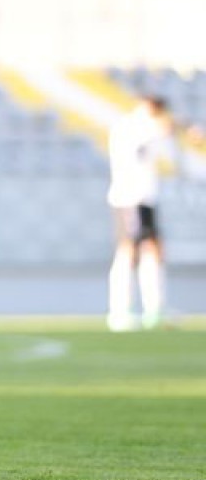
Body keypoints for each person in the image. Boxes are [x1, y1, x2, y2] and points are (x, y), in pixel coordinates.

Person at [106, 95, 176, 331]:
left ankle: (154, 308)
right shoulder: (130, 127)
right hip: (129, 197)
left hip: (146, 197)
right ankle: (120, 310)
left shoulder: (149, 128)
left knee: (154, 249)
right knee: (129, 250)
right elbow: (159, 132)